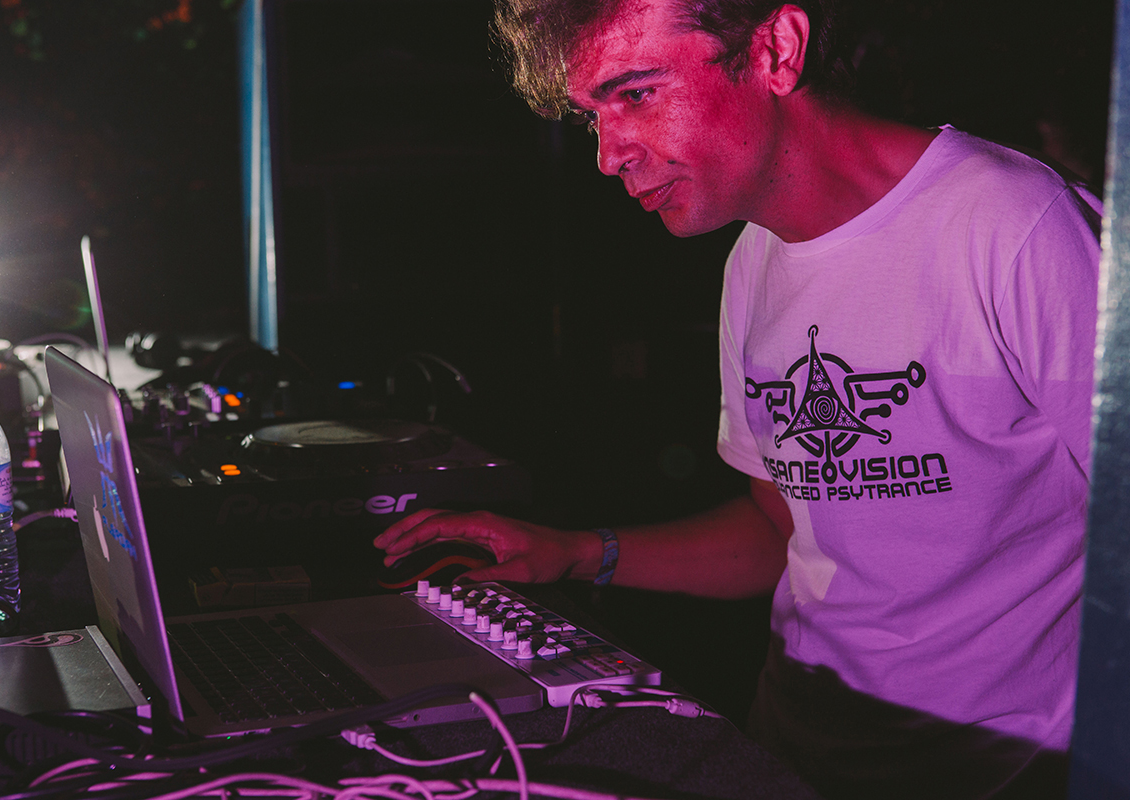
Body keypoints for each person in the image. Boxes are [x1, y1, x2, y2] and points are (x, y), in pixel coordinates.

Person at [374, 0, 1102, 797]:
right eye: (592, 118)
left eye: (636, 93)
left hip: (999, 774)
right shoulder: (754, 260)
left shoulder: (1017, 226)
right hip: (787, 755)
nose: (609, 156)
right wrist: (575, 551)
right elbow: (784, 534)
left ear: (776, 50)